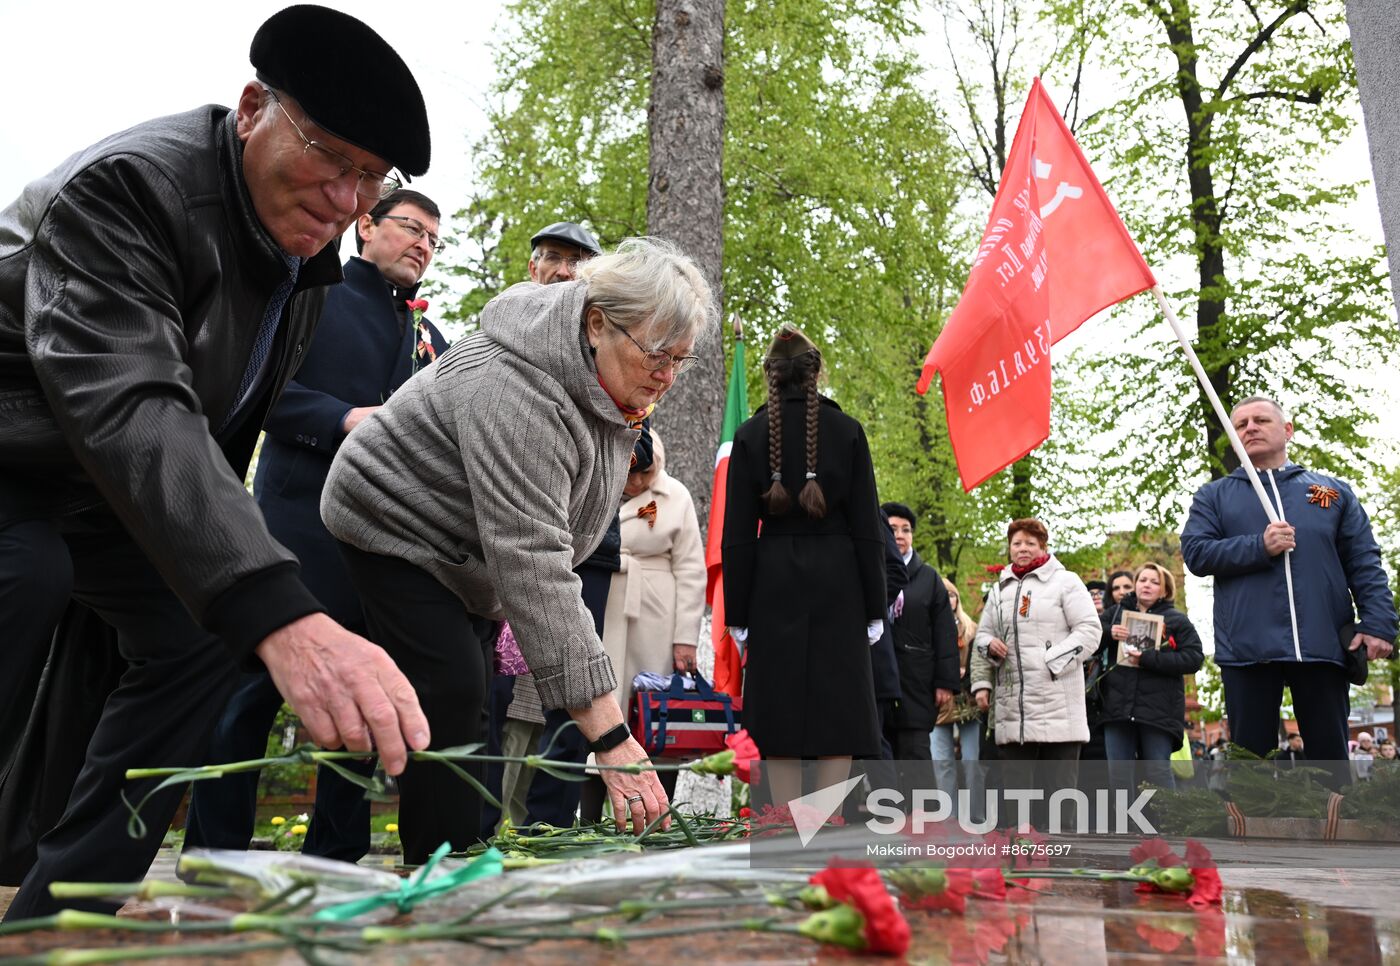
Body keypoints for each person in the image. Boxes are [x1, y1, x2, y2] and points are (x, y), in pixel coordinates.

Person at [0, 6, 432, 918]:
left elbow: (220, 433)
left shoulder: (296, 264)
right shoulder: (132, 187)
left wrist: (228, 594)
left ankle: (62, 911)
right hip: (23, 450)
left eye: (370, 177)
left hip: (98, 484)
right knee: (25, 573)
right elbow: (132, 402)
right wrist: (283, 611)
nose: (349, 201)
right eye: (331, 157)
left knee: (202, 632)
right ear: (251, 108)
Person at [321, 237, 715, 860]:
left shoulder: (607, 380)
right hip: (394, 520)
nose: (667, 378)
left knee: (475, 698)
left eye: (681, 361)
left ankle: (467, 852)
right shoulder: (515, 387)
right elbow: (532, 558)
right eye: (657, 357)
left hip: (468, 546)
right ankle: (438, 877)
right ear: (596, 325)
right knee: (450, 689)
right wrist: (609, 734)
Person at [184, 189, 451, 861]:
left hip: (383, 539)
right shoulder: (313, 295)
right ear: (366, 225)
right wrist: (346, 418)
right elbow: (261, 388)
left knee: (361, 701)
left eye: (434, 240)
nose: (423, 245)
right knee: (251, 689)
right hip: (296, 522)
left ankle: (336, 856)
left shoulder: (430, 337)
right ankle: (217, 852)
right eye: (412, 228)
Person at [1180, 396, 1397, 770]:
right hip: (1247, 646)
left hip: (1323, 642)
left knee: (1330, 763)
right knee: (1252, 767)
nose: (1250, 428)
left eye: (1260, 419)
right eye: (1241, 424)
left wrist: (1379, 623)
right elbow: (1197, 553)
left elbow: (1363, 560)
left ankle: (1336, 824)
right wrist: (1258, 546)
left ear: (1287, 430)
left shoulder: (1332, 492)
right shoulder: (1214, 496)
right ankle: (1255, 827)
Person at [722, 324, 885, 806]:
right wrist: (874, 606)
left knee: (779, 710)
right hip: (841, 582)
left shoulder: (749, 434)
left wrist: (738, 613)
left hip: (773, 584)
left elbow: (736, 536)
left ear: (770, 374)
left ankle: (784, 825)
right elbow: (867, 528)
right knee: (840, 711)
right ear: (816, 373)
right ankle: (824, 822)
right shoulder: (849, 431)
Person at [579, 433, 705, 819]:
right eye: (632, 474)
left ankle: (655, 808)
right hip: (603, 604)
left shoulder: (676, 496)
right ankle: (589, 813)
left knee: (652, 713)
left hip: (655, 619)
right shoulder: (595, 487)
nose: (637, 484)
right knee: (600, 701)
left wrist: (686, 639)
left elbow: (691, 569)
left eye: (646, 473)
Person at [969, 519, 1100, 826]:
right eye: (1017, 543)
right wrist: (990, 647)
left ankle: (1062, 857)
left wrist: (1052, 660)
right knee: (1017, 796)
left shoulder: (1066, 582)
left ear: (1043, 546)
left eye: (1030, 542)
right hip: (1015, 708)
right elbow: (983, 634)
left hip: (1058, 703)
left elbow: (1091, 631)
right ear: (1009, 548)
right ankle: (1023, 856)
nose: (1023, 548)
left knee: (1059, 793)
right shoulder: (999, 589)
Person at [1096, 562, 1205, 791]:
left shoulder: (1177, 620)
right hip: (1117, 708)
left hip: (1158, 710)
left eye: (1155, 582)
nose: (1147, 585)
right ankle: (1125, 826)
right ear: (1135, 585)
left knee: (1158, 772)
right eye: (1142, 580)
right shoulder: (1114, 614)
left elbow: (1194, 658)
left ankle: (1169, 826)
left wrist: (1148, 659)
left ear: (1165, 590)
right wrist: (1108, 633)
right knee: (1118, 775)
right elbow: (1087, 642)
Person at [881, 503, 958, 774]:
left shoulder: (929, 578)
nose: (900, 535)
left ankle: (920, 812)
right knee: (878, 752)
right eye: (892, 529)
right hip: (878, 678)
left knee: (914, 750)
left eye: (906, 530)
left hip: (917, 679)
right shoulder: (870, 572)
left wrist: (945, 682)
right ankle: (887, 812)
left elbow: (945, 632)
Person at [933, 576, 984, 813]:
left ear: (957, 599)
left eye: (952, 594)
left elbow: (982, 662)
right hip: (939, 701)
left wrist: (966, 672)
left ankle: (976, 815)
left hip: (968, 701)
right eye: (943, 594)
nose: (948, 599)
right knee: (941, 762)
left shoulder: (972, 628)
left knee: (972, 762)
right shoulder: (928, 626)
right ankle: (949, 817)